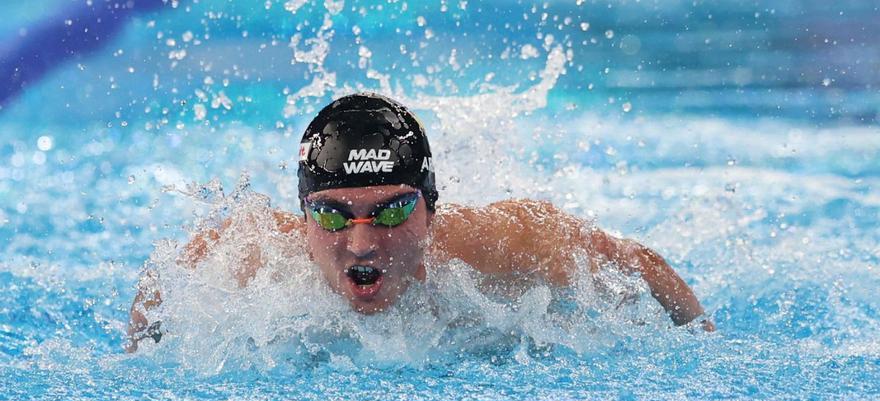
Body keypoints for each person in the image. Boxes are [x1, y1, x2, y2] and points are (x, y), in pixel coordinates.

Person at [127, 92, 714, 352]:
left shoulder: (502, 245)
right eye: (332, 215)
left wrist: (704, 358)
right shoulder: (249, 260)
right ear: (302, 218)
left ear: (431, 211)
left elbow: (642, 264)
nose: (361, 243)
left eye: (394, 210)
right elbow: (160, 283)